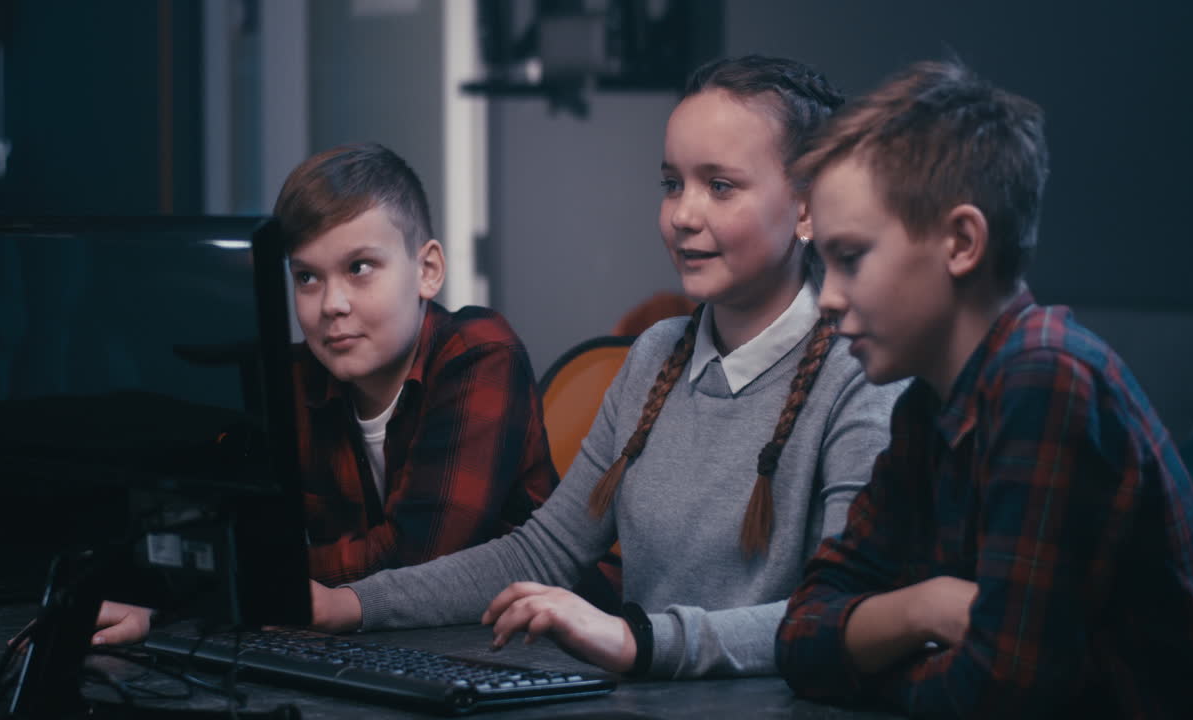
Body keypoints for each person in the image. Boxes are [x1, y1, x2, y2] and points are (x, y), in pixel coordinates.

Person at [306, 55, 905, 679]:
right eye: (672, 183)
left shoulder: (860, 374)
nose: (683, 215)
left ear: (808, 208)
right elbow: (546, 550)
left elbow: (839, 616)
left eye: (720, 186)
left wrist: (638, 642)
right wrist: (349, 605)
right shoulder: (655, 355)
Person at [776, 60, 1193, 717]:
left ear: (961, 241)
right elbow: (801, 636)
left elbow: (1001, 692)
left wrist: (877, 665)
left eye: (851, 258)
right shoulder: (930, 401)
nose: (827, 297)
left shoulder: (1047, 378)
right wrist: (921, 608)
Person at [92, 143, 558, 645]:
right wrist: (158, 595)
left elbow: (417, 555)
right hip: (390, 645)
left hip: (524, 650)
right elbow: (218, 529)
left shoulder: (480, 354)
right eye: (307, 277)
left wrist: (249, 574)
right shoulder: (298, 379)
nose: (331, 305)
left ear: (427, 271)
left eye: (359, 267)